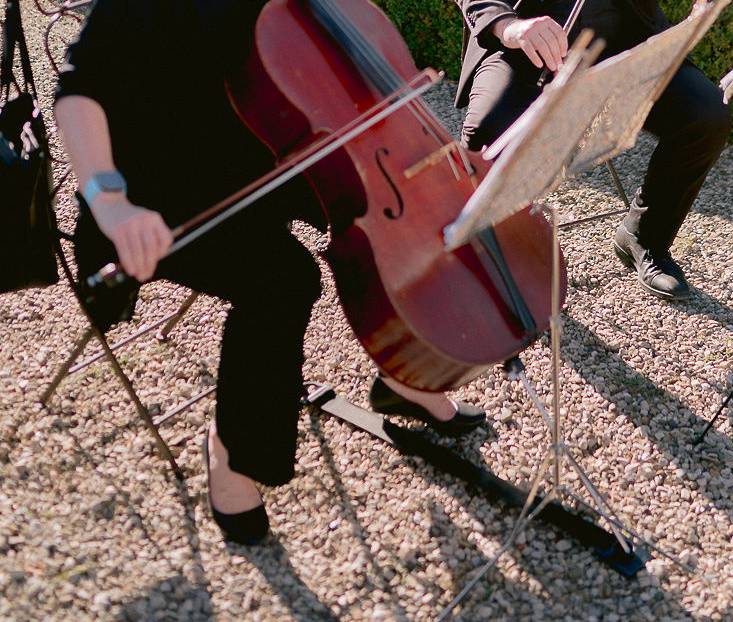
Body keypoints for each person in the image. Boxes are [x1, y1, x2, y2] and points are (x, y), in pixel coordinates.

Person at [55, 0, 485, 546]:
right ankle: (234, 449)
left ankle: (404, 370)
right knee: (284, 279)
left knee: (407, 215)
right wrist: (110, 202)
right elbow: (77, 90)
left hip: (267, 144)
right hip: (155, 195)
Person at [455, 0, 731, 300]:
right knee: (488, 134)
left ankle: (645, 237)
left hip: (628, 40)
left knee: (705, 114)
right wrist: (507, 25)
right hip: (527, 45)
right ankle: (472, 251)